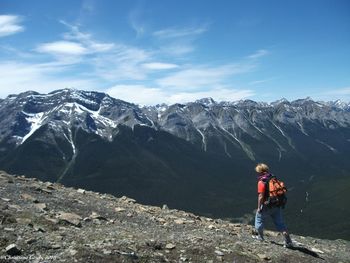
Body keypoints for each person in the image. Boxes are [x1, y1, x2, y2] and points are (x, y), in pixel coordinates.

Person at [254, 163, 293, 247]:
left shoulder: (261, 181)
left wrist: (259, 207)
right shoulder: (273, 178)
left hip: (266, 205)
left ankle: (260, 237)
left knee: (259, 219)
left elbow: (261, 196)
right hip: (276, 204)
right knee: (280, 223)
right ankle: (288, 241)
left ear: (260, 172)